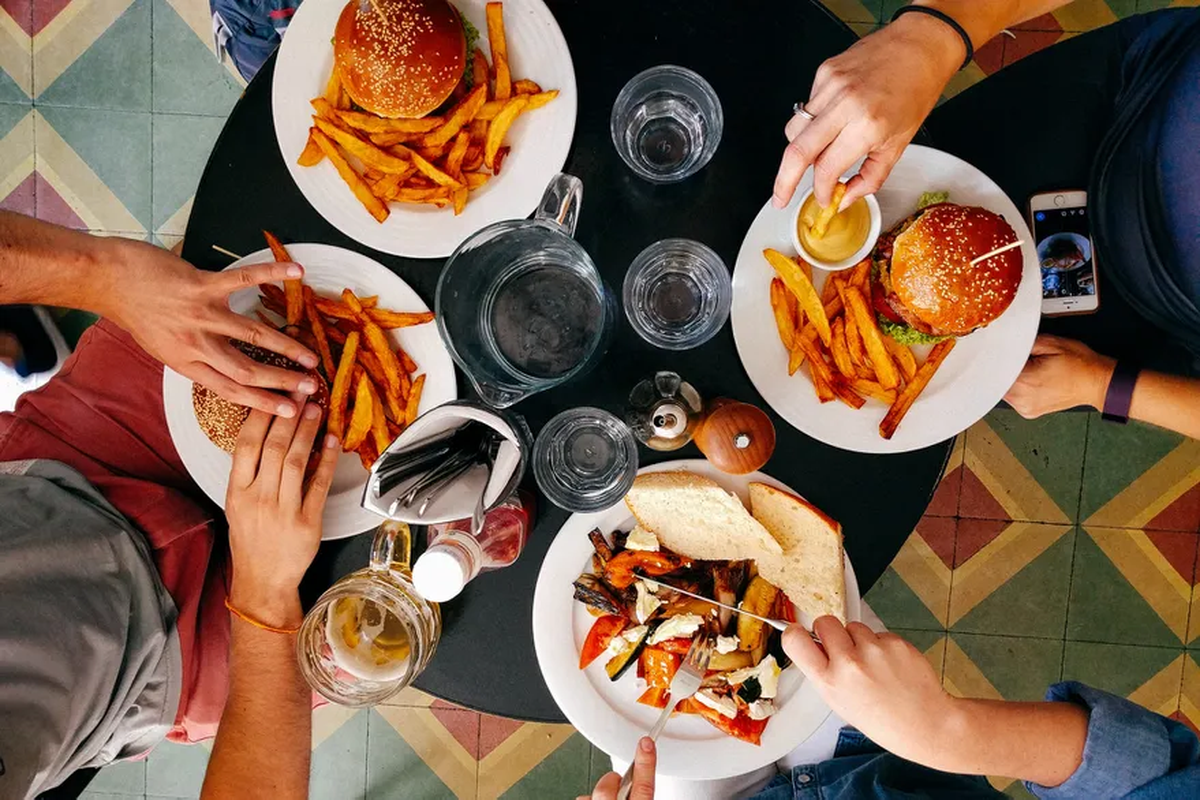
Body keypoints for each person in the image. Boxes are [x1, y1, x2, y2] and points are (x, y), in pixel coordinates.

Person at [0, 212, 324, 798]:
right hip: (166, 667)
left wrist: (102, 275)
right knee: (439, 559)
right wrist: (265, 598)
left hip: (56, 465)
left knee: (259, 257)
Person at [772, 0, 1200, 440]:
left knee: (998, 376)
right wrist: (930, 37)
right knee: (925, 140)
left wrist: (1104, 387)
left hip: (1147, 315)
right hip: (1135, 83)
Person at [579, 616, 1200, 800]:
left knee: (631, 717)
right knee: (819, 613)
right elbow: (1161, 774)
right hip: (896, 760)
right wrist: (947, 730)